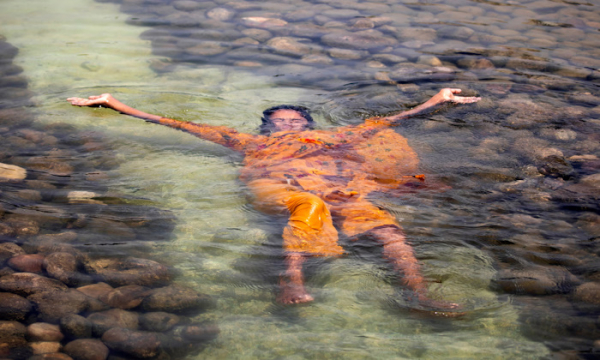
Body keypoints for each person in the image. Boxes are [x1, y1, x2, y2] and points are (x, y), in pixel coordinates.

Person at [67, 88, 480, 314]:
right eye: (278, 120)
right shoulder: (244, 141)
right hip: (279, 187)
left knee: (389, 229)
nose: (286, 124)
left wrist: (438, 100)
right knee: (309, 206)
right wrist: (115, 104)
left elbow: (389, 122)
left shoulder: (339, 137)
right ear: (265, 127)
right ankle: (291, 282)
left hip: (343, 189)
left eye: (294, 120)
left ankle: (419, 293)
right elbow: (178, 124)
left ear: (308, 124)